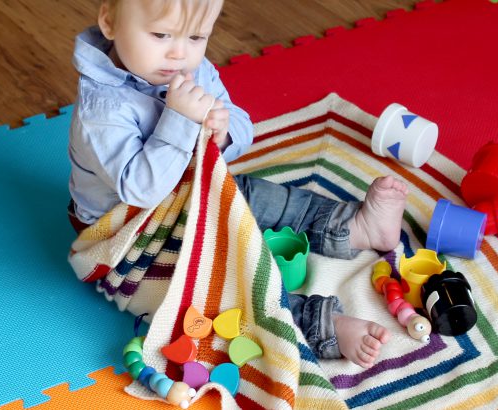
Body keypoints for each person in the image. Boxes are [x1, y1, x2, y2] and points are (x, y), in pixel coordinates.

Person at [68, 0, 409, 369]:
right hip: (129, 236)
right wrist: (180, 120)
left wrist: (225, 133)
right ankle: (321, 323)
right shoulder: (102, 108)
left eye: (197, 36)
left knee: (257, 196)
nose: (179, 52)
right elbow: (141, 188)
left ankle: (352, 227)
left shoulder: (191, 70)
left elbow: (244, 125)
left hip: (191, 195)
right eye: (161, 34)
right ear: (109, 21)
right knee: (206, 294)